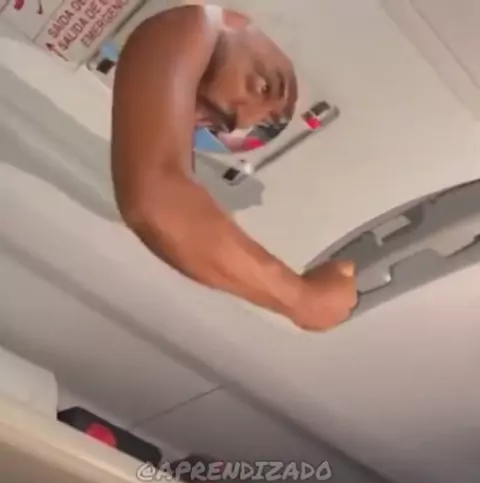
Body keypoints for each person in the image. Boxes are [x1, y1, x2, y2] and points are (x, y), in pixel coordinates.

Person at [111, 4, 357, 332]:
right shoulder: (195, 19)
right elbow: (156, 200)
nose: (243, 113)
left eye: (216, 120)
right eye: (263, 86)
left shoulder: (197, 30)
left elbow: (159, 198)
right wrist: (301, 300)